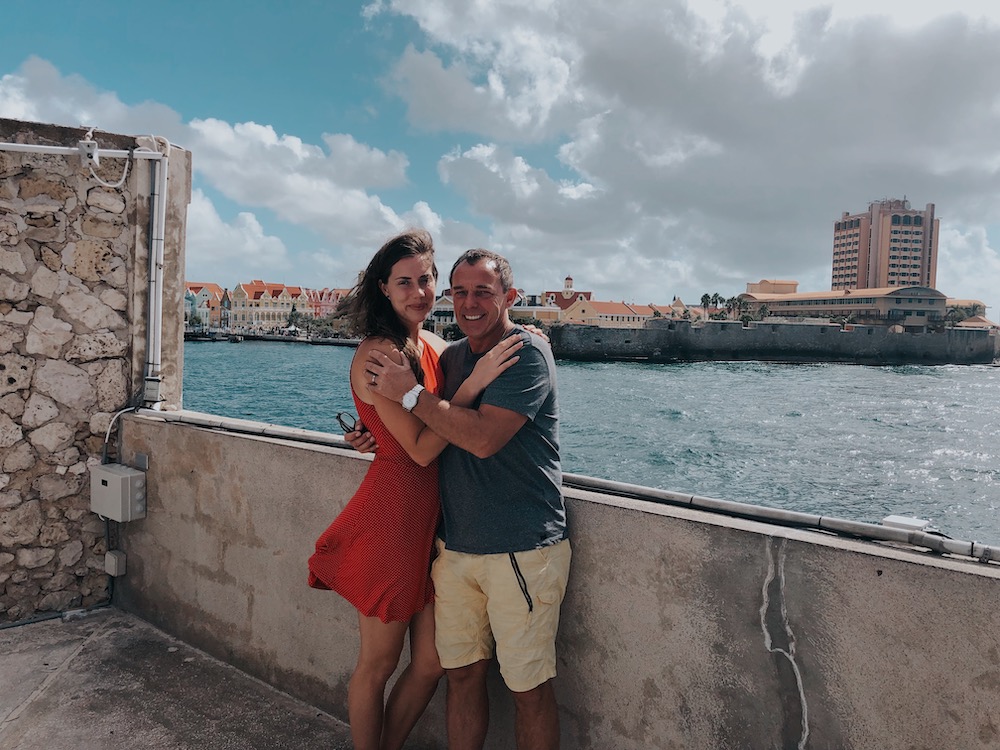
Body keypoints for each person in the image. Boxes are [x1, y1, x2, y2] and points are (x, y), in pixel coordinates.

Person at [307, 230, 523, 750]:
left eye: (425, 279)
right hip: (395, 516)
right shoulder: (379, 355)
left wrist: (523, 336)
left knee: (432, 662)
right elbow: (422, 450)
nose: (418, 291)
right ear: (383, 288)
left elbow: (468, 370)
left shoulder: (433, 345)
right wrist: (472, 386)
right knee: (377, 664)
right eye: (403, 282)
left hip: (439, 518)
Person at [364, 248, 571, 750]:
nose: (470, 303)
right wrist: (368, 433)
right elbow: (418, 421)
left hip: (520, 547)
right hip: (455, 549)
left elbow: (480, 437)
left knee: (529, 689)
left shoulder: (525, 353)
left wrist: (411, 395)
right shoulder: (452, 356)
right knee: (461, 677)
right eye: (460, 291)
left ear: (509, 298)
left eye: (484, 292)